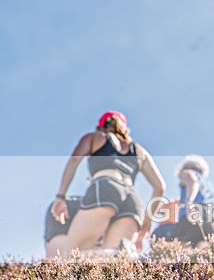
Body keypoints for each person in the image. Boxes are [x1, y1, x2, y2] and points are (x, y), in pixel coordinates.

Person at [48, 110, 166, 258]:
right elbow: (160, 187)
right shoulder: (139, 150)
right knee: (113, 262)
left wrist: (61, 196)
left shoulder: (95, 138)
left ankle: (121, 254)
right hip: (133, 201)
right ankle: (122, 254)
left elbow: (73, 161)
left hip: (105, 188)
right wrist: (148, 220)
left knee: (71, 255)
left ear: (100, 125)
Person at [150, 154, 214, 247]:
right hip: (211, 220)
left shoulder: (187, 172)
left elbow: (191, 179)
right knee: (201, 244)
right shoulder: (209, 186)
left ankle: (165, 257)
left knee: (159, 234)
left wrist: (189, 202)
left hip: (191, 216)